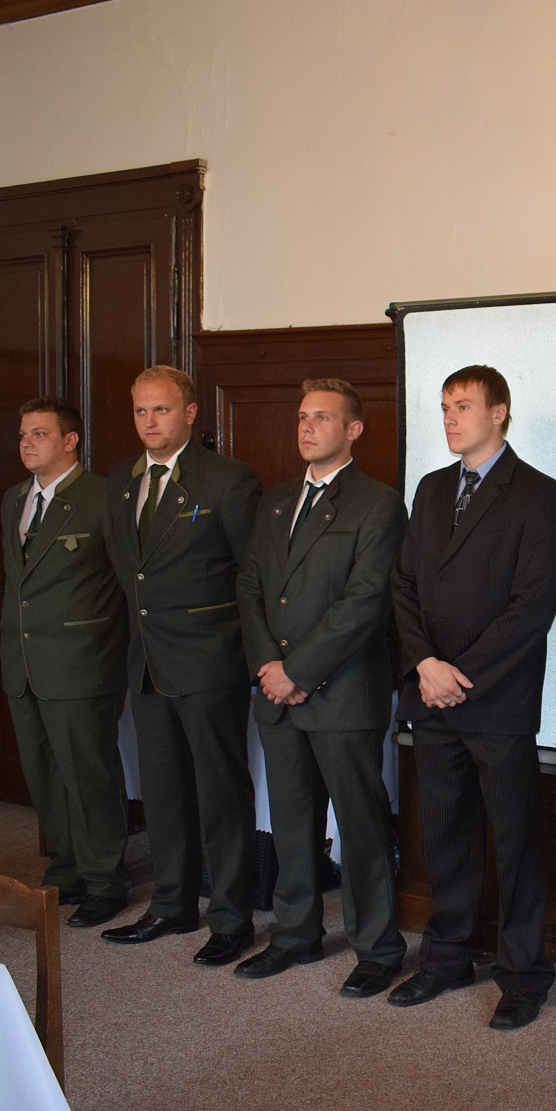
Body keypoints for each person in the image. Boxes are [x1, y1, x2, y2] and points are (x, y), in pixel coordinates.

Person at [389, 364, 556, 1030]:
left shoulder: (538, 493)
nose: (449, 418)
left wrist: (458, 674)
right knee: (446, 835)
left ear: (499, 413)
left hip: (496, 701)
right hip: (432, 697)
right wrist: (424, 665)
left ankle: (523, 975)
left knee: (515, 841)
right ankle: (447, 958)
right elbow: (403, 586)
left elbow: (533, 605)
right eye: (444, 407)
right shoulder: (432, 488)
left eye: (462, 406)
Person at [234, 379, 408, 998]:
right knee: (290, 822)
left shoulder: (378, 504)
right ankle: (295, 934)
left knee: (360, 827)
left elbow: (365, 603)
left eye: (323, 418)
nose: (307, 428)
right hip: (277, 692)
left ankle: (378, 949)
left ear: (353, 430)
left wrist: (297, 672)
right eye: (303, 417)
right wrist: (268, 665)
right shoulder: (277, 500)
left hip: (342, 693)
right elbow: (251, 587)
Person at [100, 365, 265, 969]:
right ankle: (171, 904)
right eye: (140, 410)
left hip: (209, 661)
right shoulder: (122, 481)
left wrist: (253, 656)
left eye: (161, 410)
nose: (149, 421)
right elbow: (131, 574)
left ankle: (231, 918)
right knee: (163, 792)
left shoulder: (226, 480)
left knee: (220, 793)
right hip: (146, 661)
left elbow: (253, 575)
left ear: (190, 413)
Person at [0, 397, 133, 929]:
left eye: (39, 434)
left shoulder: (103, 497)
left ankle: (105, 880)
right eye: (22, 435)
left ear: (70, 440)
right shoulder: (15, 499)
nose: (26, 443)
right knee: (43, 771)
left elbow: (127, 583)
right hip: (24, 659)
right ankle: (68, 867)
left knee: (88, 773)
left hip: (82, 661)